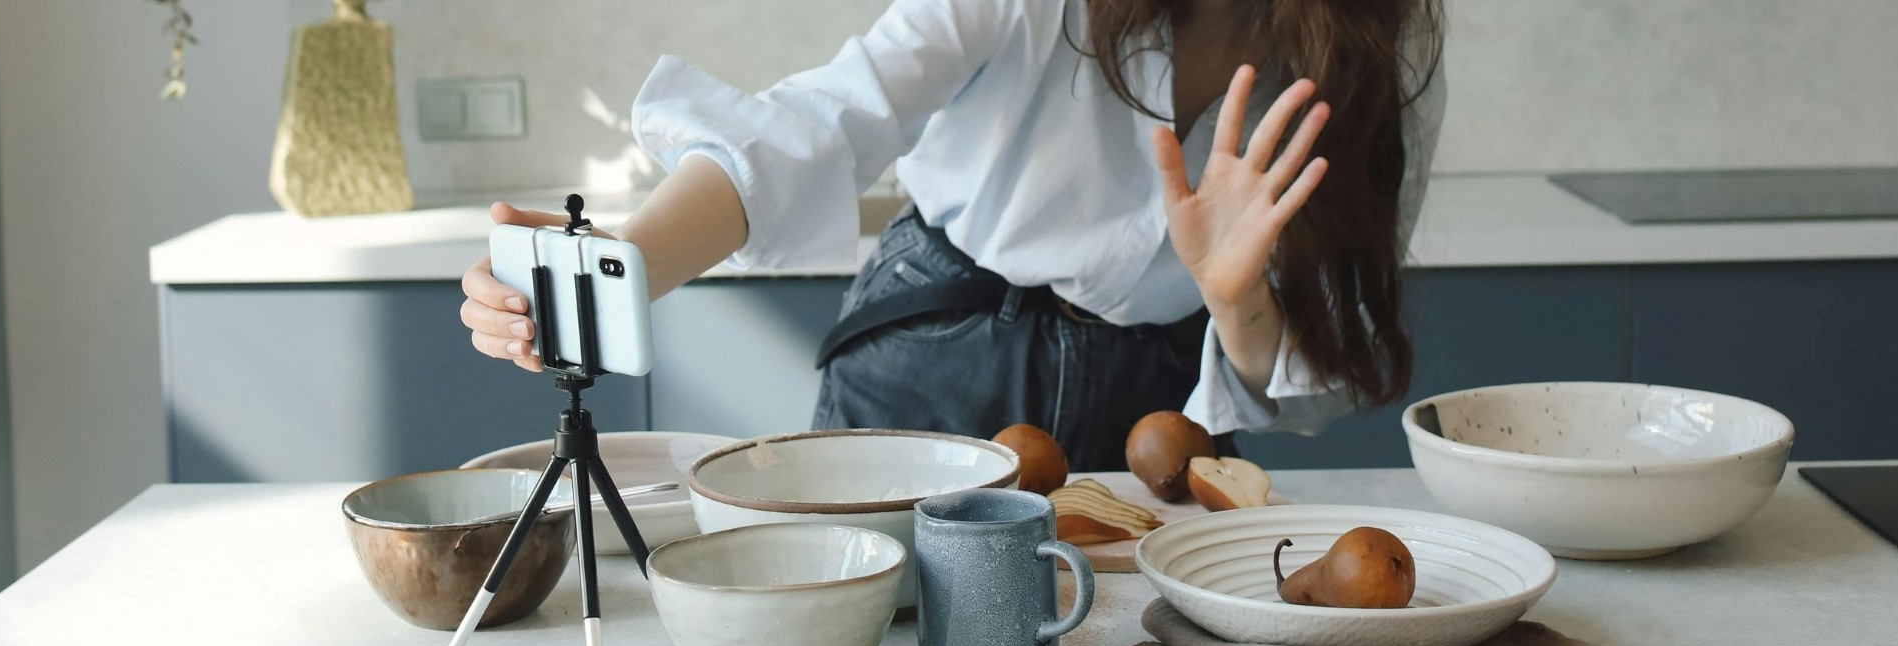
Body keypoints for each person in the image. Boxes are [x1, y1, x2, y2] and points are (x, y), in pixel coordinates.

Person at [458, 0, 1445, 471]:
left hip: (1158, 408)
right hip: (932, 360)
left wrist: (1238, 304)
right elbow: (819, 125)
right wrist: (623, 266)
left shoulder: (1364, 52)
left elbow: (1322, 377)